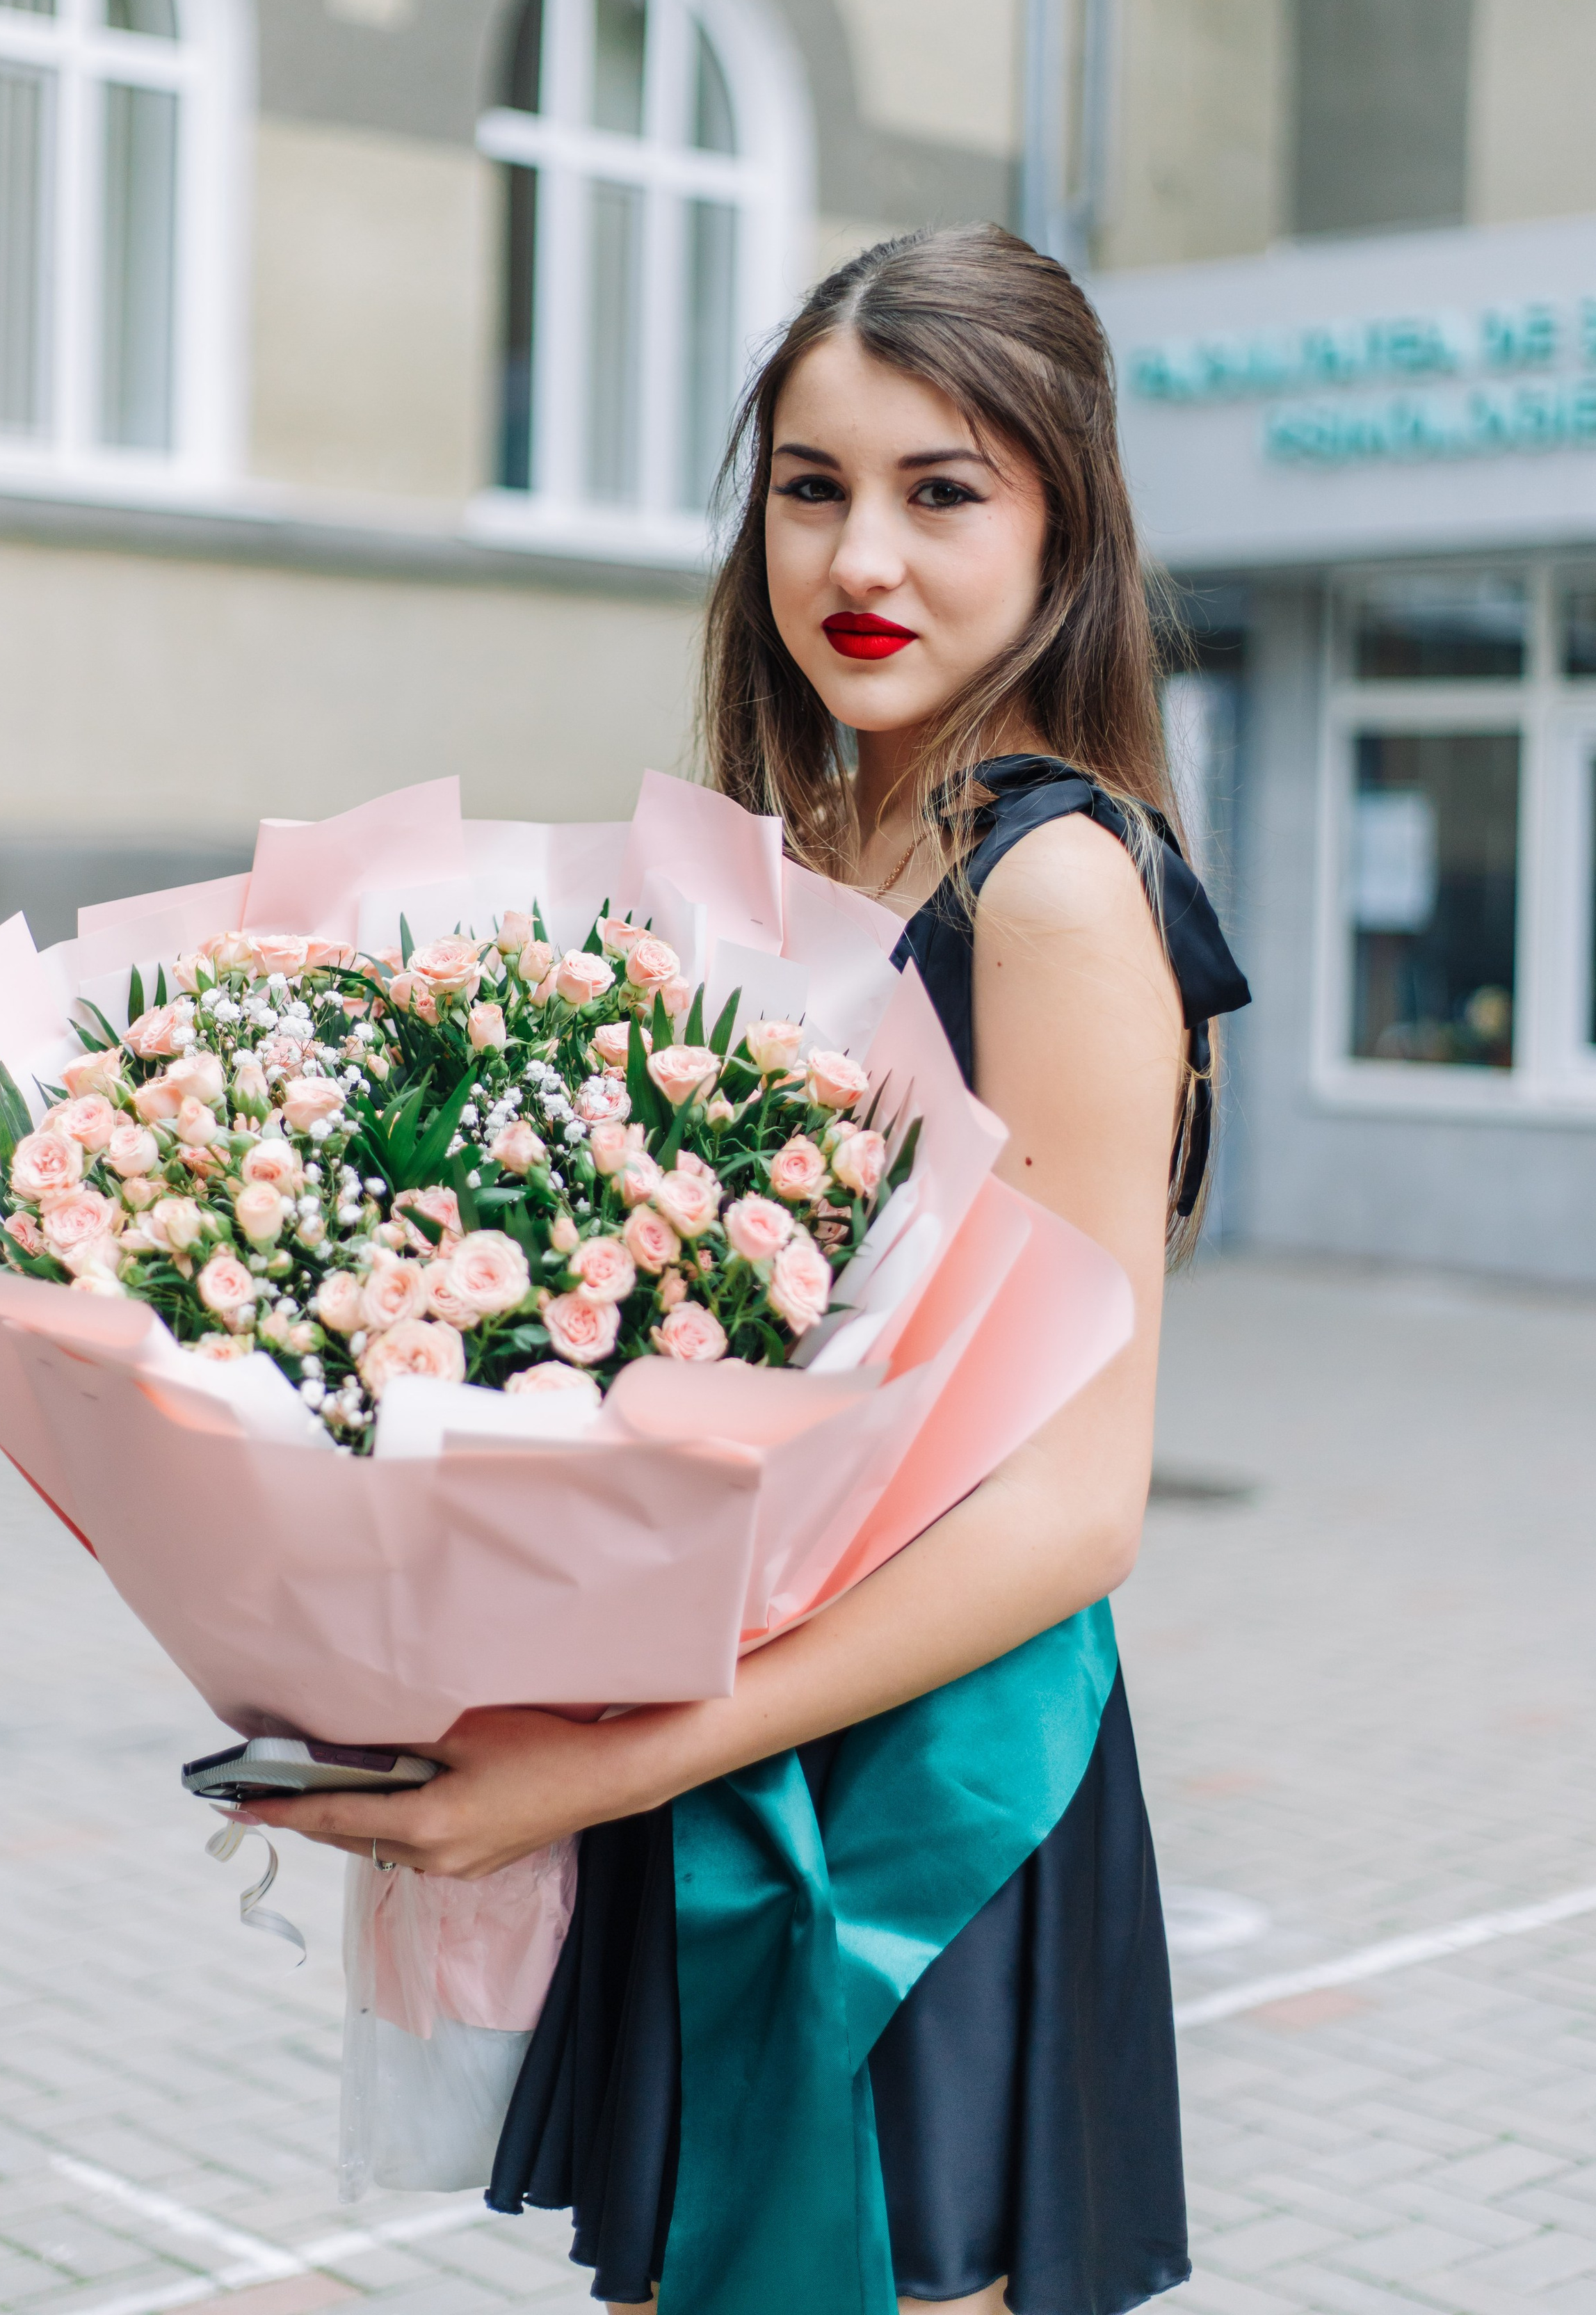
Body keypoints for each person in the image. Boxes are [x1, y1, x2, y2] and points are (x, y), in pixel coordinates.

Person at [243, 224, 1249, 2315]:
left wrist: (599, 1765)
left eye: (940, 489)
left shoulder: (1050, 888)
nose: (859, 556)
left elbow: (1074, 1509)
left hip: (921, 1796)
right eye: (812, 486)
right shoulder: (809, 850)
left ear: (1064, 521)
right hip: (739, 1732)